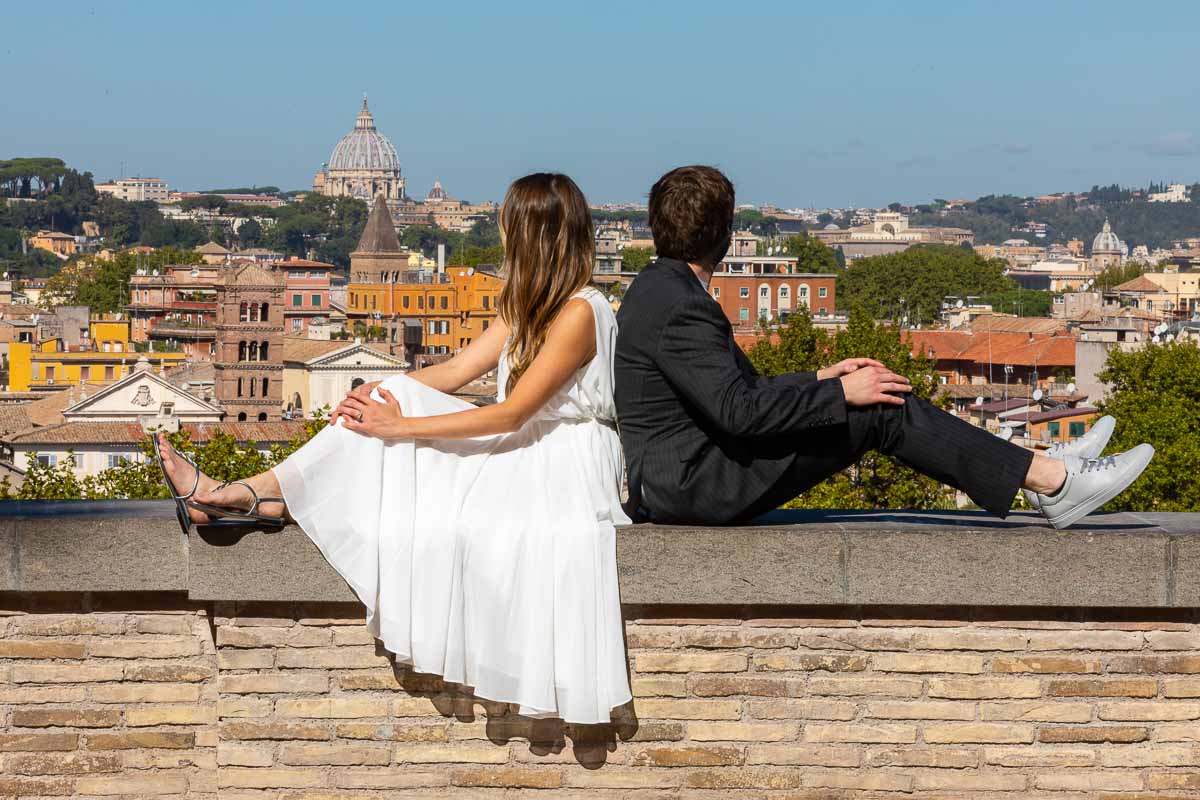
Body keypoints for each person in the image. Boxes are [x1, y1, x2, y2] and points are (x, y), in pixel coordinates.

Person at [155, 173, 632, 725]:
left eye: (509, 232)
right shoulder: (526, 304)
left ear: (532, 237)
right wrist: (376, 394)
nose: (503, 244)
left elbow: (514, 411)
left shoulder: (580, 312)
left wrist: (398, 428)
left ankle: (250, 497)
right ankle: (257, 495)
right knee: (396, 389)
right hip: (524, 443)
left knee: (396, 416)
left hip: (561, 459)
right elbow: (453, 371)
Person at [614, 165, 1153, 529]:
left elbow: (731, 394)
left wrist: (821, 380)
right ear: (724, 232)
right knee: (879, 411)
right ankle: (1051, 483)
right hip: (692, 484)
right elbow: (738, 412)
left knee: (871, 397)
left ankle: (1034, 465)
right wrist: (843, 395)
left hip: (682, 473)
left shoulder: (658, 289)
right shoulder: (682, 304)